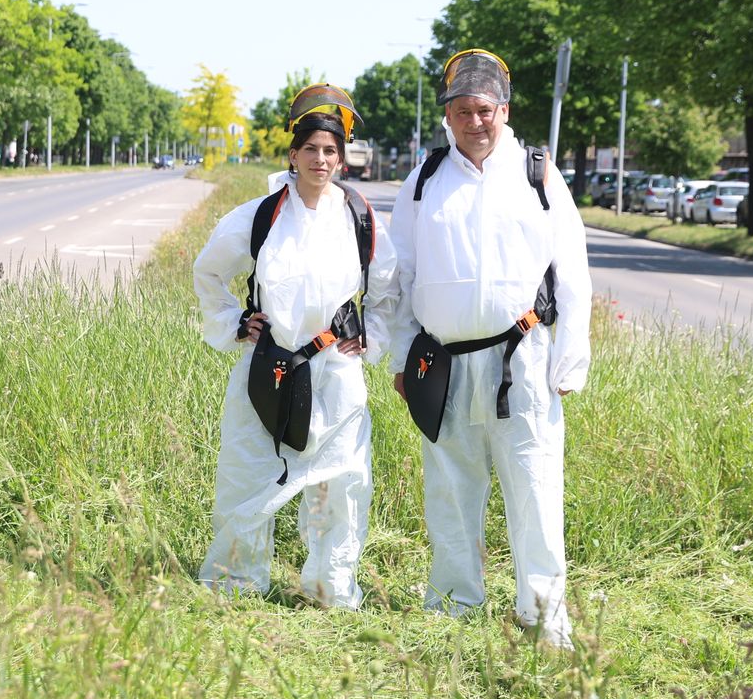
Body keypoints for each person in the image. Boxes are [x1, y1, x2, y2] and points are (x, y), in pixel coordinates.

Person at [389, 49, 592, 646]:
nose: (476, 121)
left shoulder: (537, 173)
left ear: (503, 109)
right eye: (462, 111)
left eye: (486, 109)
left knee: (534, 486)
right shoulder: (425, 180)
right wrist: (403, 356)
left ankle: (543, 615)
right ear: (447, 117)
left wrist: (569, 356)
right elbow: (398, 276)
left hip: (523, 361)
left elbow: (573, 267)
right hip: (444, 362)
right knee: (450, 489)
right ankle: (454, 605)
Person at [193, 84, 397, 608]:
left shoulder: (359, 217)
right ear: (293, 154)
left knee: (341, 487)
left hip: (335, 372)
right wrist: (237, 321)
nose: (321, 160)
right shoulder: (260, 216)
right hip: (270, 367)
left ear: (342, 158)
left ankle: (330, 588)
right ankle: (233, 583)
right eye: (311, 149)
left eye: (331, 151)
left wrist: (370, 335)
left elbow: (389, 285)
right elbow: (209, 272)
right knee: (248, 474)